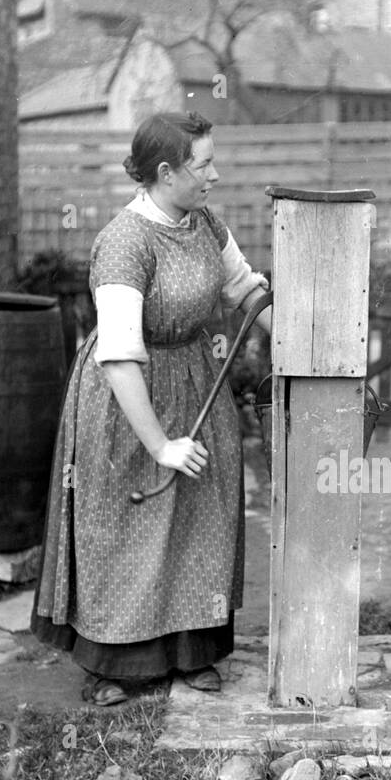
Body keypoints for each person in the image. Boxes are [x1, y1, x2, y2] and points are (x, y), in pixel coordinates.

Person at [32, 112, 271, 707]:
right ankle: (118, 660)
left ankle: (193, 653)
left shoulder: (205, 223)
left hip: (196, 382)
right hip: (128, 397)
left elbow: (244, 289)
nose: (216, 174)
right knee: (127, 521)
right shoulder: (124, 242)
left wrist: (303, 337)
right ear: (165, 173)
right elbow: (118, 357)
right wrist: (160, 443)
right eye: (204, 164)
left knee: (200, 514)